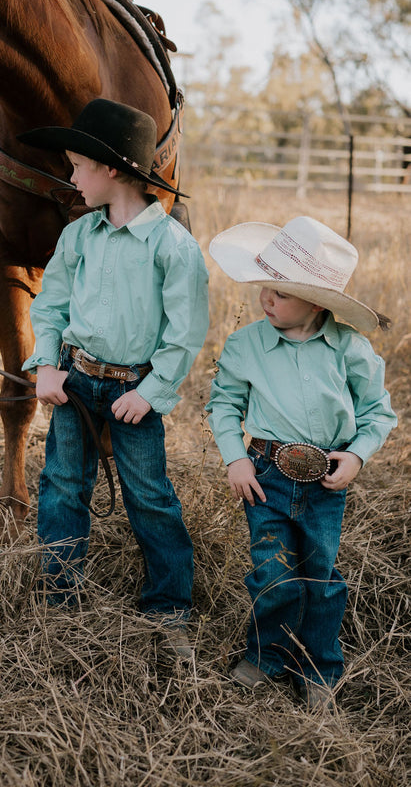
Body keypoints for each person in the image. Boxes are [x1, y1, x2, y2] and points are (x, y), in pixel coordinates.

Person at [18, 98, 209, 658]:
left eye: (77, 165)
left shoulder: (174, 249)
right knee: (61, 487)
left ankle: (169, 609)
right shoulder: (79, 237)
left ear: (113, 170)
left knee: (149, 497)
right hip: (76, 381)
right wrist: (48, 365)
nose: (70, 176)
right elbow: (50, 305)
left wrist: (150, 394)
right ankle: (61, 598)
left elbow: (184, 334)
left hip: (134, 391)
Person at [206, 216, 397, 707]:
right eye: (265, 287)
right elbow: (224, 403)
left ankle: (317, 668)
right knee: (272, 572)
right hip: (265, 474)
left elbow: (380, 412)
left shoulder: (351, 349)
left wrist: (356, 456)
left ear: (316, 302)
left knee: (321, 575)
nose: (267, 299)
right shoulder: (246, 345)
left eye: (281, 293)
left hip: (325, 481)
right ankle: (266, 655)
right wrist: (235, 460)